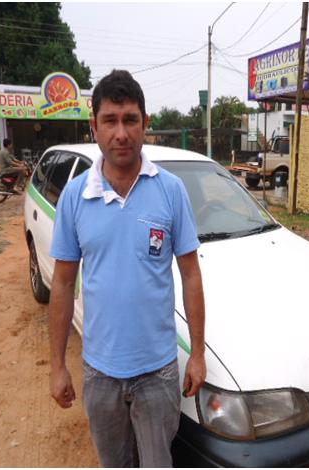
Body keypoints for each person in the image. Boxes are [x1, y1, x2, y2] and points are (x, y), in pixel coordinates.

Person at [48, 70, 206, 468]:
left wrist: (198, 353)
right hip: (100, 372)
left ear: (145, 124)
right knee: (113, 462)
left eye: (130, 120)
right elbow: (63, 284)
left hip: (158, 372)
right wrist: (57, 365)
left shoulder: (170, 190)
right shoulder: (75, 196)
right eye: (110, 121)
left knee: (157, 462)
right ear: (94, 126)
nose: (121, 133)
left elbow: (191, 274)